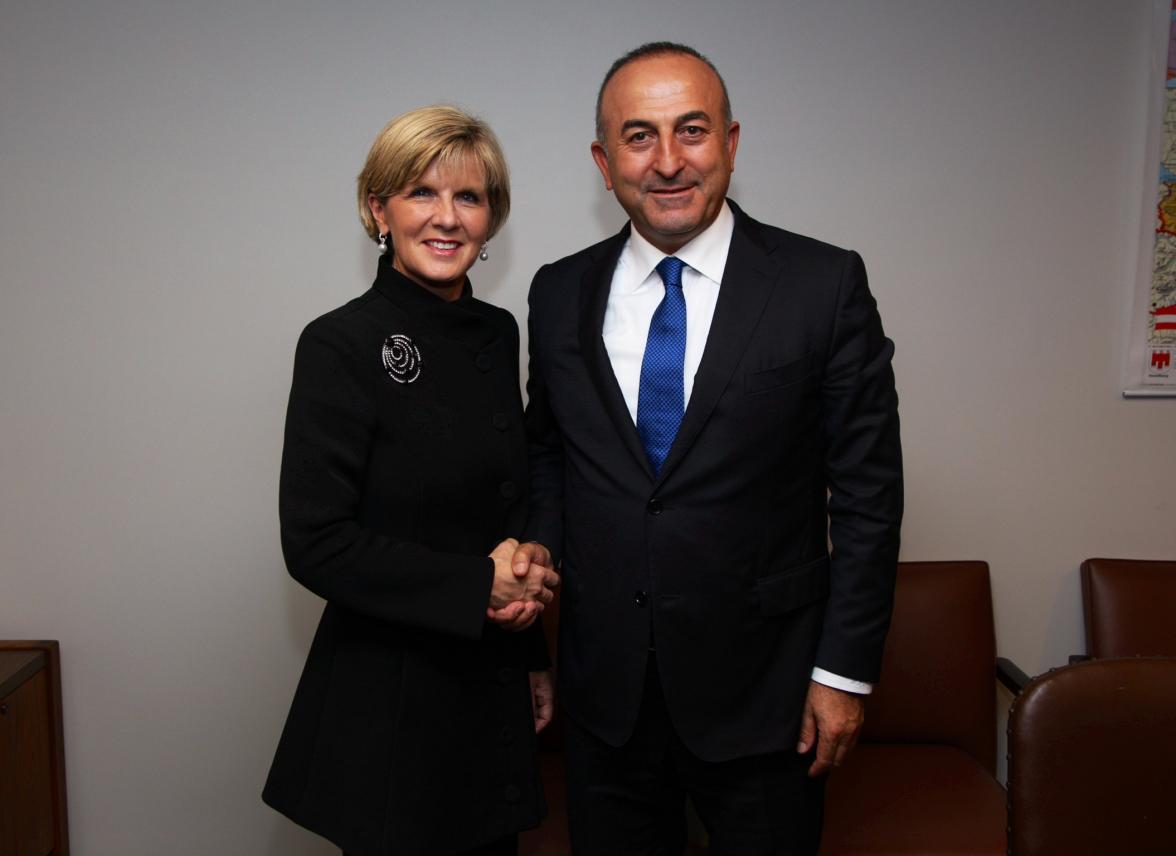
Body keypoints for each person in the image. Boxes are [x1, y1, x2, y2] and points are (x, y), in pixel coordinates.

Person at [513, 43, 903, 854]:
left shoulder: (821, 285)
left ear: (730, 140)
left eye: (691, 130)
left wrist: (842, 676)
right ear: (603, 158)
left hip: (769, 698)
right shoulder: (557, 292)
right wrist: (533, 590)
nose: (667, 161)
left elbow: (868, 497)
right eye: (639, 136)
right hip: (607, 699)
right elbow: (550, 455)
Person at [263, 105, 559, 856]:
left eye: (469, 197)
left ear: (491, 219)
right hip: (392, 701)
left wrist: (530, 645)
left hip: (487, 683)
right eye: (421, 193)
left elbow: (509, 508)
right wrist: (476, 587)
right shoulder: (340, 342)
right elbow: (316, 544)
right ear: (378, 209)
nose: (447, 218)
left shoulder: (498, 332)